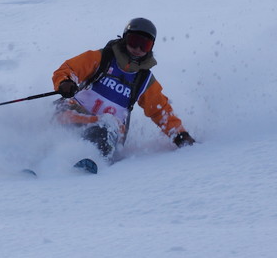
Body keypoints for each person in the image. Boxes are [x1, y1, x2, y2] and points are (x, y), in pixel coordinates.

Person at [52, 17, 195, 164]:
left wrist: (179, 135)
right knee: (54, 111)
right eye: (134, 41)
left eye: (144, 45)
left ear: (151, 47)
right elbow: (69, 69)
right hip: (77, 113)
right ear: (125, 38)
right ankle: (41, 157)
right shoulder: (102, 58)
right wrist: (65, 83)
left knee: (105, 127)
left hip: (108, 130)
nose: (138, 49)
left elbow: (160, 110)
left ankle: (89, 162)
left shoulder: (144, 80)